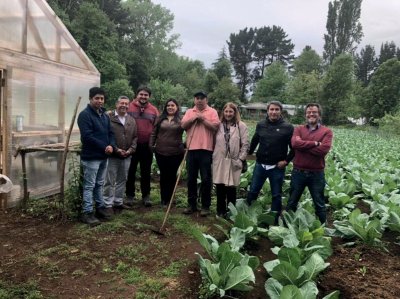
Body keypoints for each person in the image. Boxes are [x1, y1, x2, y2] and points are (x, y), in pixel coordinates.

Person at [246, 100, 294, 222]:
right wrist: (249, 153)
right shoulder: (261, 124)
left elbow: (294, 148)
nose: (273, 112)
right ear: (267, 111)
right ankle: (248, 215)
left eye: (276, 109)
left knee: (276, 194)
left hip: (276, 167)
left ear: (280, 111)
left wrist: (286, 161)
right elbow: (255, 139)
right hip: (260, 165)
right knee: (253, 191)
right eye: (271, 109)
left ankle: (274, 219)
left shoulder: (288, 127)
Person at [286, 103, 333, 224]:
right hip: (298, 172)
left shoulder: (327, 131)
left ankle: (323, 229)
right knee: (291, 202)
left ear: (319, 114)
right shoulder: (298, 129)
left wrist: (303, 145)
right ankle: (286, 228)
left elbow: (323, 150)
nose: (311, 114)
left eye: (314, 112)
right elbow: (295, 145)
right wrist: (316, 143)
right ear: (305, 114)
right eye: (309, 112)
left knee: (320, 203)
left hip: (316, 174)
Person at [77, 87, 116, 225]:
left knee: (99, 183)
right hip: (91, 156)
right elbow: (87, 136)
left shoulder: (104, 115)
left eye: (102, 98)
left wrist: (111, 145)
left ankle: (100, 208)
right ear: (90, 99)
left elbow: (110, 133)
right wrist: (104, 146)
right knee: (89, 185)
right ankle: (87, 212)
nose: (100, 101)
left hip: (103, 156)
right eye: (97, 98)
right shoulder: (85, 115)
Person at [181, 91, 220, 216]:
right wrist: (194, 118)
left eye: (202, 98)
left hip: (206, 150)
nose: (199, 100)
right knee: (191, 178)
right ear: (194, 100)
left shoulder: (212, 112)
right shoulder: (189, 112)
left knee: (206, 179)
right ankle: (191, 205)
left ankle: (205, 206)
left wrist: (202, 119)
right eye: (197, 98)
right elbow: (183, 125)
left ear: (206, 100)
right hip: (191, 149)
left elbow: (215, 128)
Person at [212, 102, 249, 217]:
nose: (228, 114)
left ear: (235, 112)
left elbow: (245, 144)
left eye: (231, 111)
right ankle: (220, 210)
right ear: (223, 112)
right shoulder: (218, 125)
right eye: (226, 111)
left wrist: (240, 159)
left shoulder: (240, 125)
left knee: (231, 188)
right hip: (220, 160)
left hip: (234, 161)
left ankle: (231, 212)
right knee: (220, 186)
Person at [126, 86, 159, 207]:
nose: (143, 97)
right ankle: (130, 195)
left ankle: (146, 196)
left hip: (147, 146)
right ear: (137, 95)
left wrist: (154, 143)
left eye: (146, 95)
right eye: (141, 94)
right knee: (131, 171)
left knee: (146, 172)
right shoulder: (128, 107)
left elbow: (156, 128)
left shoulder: (153, 110)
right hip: (131, 145)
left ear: (149, 97)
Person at [103, 96, 137, 214]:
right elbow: (105, 135)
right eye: (122, 103)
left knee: (122, 179)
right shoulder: (109, 117)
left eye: (126, 104)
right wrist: (116, 149)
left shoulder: (131, 120)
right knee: (109, 180)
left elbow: (135, 137)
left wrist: (131, 150)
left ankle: (118, 202)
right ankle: (107, 203)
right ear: (116, 104)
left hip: (127, 155)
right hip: (113, 155)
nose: (124, 105)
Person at [149, 99, 184, 208]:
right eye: (168, 105)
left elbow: (190, 131)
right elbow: (154, 133)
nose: (170, 107)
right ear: (165, 107)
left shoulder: (181, 120)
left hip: (176, 153)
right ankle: (164, 199)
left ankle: (171, 198)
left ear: (177, 107)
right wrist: (151, 145)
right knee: (163, 175)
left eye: (172, 105)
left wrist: (185, 144)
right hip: (161, 152)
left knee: (172, 175)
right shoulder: (160, 119)